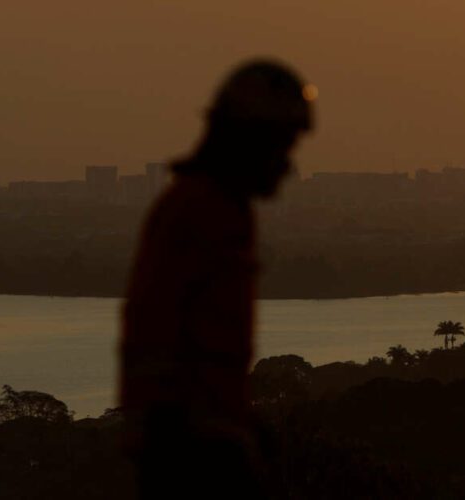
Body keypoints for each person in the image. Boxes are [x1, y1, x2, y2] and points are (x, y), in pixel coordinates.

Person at [120, 59, 315, 499]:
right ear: (249, 141)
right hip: (190, 452)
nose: (286, 165)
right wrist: (203, 437)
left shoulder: (222, 209)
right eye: (280, 146)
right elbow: (155, 331)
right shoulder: (200, 210)